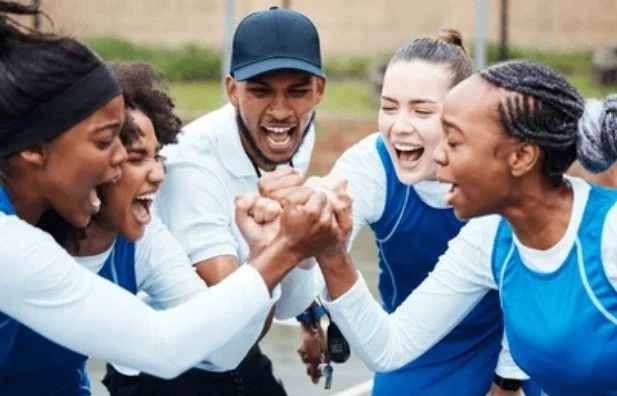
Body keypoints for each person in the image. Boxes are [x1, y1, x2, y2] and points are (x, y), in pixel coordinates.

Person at [0, 3, 339, 393]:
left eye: (154, 153)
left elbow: (221, 352)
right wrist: (283, 251)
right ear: (35, 148)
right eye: (107, 142)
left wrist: (266, 255)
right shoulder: (11, 243)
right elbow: (163, 345)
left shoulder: (143, 240)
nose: (157, 171)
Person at [308, 60, 617, 395]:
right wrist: (332, 253)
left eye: (454, 142)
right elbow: (390, 346)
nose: (438, 155)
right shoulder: (489, 238)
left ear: (521, 157)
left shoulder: (608, 233)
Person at [311, 30, 537, 395]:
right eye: (388, 107)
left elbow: (531, 289)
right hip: (417, 348)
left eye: (422, 111)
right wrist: (313, 313)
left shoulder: (502, 173)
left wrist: (507, 382)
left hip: (519, 344)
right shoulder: (369, 165)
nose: (400, 125)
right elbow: (318, 252)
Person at [122, 6, 328, 395]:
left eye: (298, 91)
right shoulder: (189, 168)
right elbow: (225, 327)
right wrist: (284, 246)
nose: (281, 110)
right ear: (233, 90)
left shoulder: (292, 136)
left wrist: (310, 309)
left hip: (238, 351)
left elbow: (280, 303)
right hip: (163, 368)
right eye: (260, 90)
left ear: (319, 90)